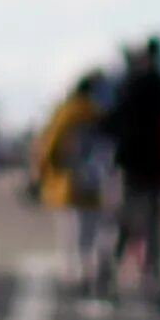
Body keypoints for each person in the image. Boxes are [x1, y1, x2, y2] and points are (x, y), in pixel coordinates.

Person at [31, 70, 115, 303]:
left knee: (72, 235)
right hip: (95, 182)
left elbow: (49, 146)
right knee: (92, 232)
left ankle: (77, 277)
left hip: (67, 182)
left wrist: (42, 173)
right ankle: (91, 275)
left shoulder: (66, 113)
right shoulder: (100, 115)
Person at [106, 37, 160, 302]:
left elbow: (111, 123)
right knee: (153, 227)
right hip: (156, 167)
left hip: (131, 165)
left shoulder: (130, 87)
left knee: (124, 224)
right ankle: (151, 278)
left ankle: (109, 275)